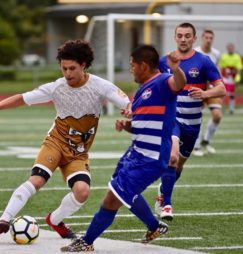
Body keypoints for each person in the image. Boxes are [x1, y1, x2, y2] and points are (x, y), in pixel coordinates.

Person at [0, 39, 131, 239]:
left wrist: (130, 110)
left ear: (84, 65)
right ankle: (4, 219)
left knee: (82, 192)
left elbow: (128, 102)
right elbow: (22, 98)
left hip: (78, 152)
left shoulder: (100, 86)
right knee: (37, 180)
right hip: (55, 143)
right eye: (63, 68)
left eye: (72, 68)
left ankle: (55, 220)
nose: (67, 73)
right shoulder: (56, 87)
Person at [60, 45, 187, 252]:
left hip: (151, 158)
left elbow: (179, 83)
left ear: (143, 65)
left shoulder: (163, 81)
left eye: (132, 65)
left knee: (112, 199)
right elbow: (146, 124)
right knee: (121, 191)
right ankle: (155, 227)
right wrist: (127, 125)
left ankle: (87, 241)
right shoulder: (141, 91)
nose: (131, 70)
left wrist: (176, 68)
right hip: (135, 153)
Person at [154, 23, 226, 221]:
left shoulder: (204, 61)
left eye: (187, 36)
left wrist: (205, 93)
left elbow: (221, 89)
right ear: (175, 37)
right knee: (172, 158)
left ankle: (163, 189)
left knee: (178, 166)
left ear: (194, 38)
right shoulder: (164, 61)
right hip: (171, 119)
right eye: (180, 35)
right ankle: (167, 204)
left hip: (193, 123)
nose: (183, 39)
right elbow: (153, 84)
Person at [192, 29, 222, 156]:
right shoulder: (196, 52)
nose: (208, 40)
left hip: (211, 89)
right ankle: (196, 146)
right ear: (202, 38)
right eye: (206, 37)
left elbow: (216, 71)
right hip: (198, 88)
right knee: (197, 117)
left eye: (211, 38)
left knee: (217, 116)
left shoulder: (216, 54)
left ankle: (206, 141)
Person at [219, 42, 243, 114]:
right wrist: (221, 77)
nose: (230, 49)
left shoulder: (237, 57)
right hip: (225, 78)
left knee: (232, 94)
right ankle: (220, 107)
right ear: (227, 48)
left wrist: (237, 76)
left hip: (232, 78)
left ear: (233, 48)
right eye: (229, 47)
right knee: (222, 93)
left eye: (232, 47)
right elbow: (221, 67)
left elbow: (239, 68)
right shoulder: (223, 56)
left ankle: (231, 109)